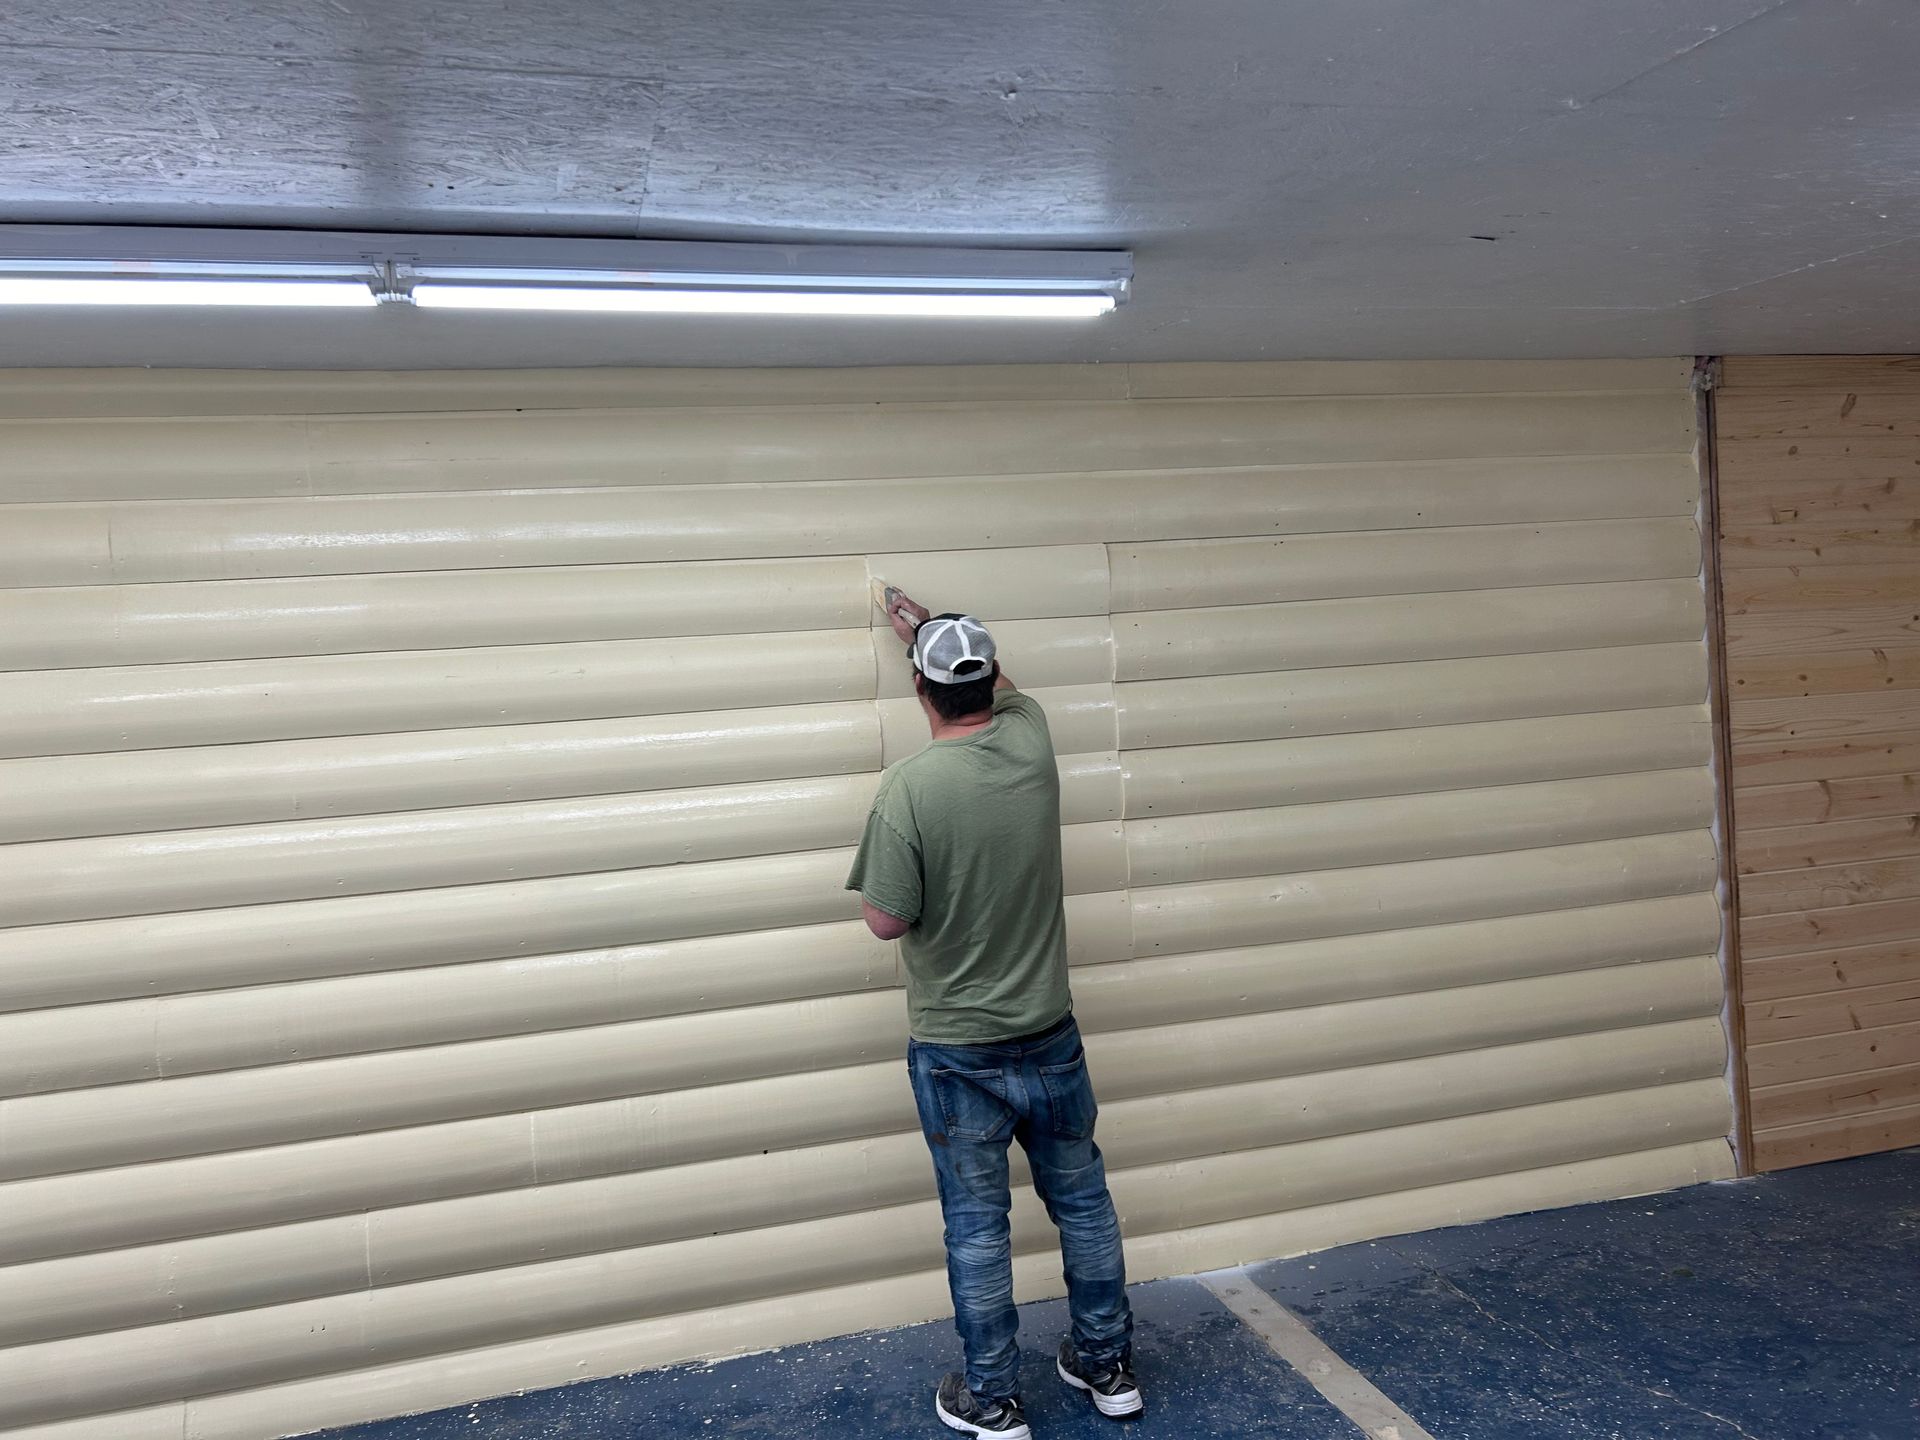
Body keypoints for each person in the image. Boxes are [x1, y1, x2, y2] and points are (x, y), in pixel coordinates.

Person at [845, 590, 1142, 1439]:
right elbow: (1003, 689)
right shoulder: (1032, 739)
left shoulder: (907, 788)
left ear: (919, 692)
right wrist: (942, 627)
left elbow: (886, 919)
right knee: (1082, 1203)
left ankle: (993, 1399)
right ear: (986, 683)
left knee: (978, 1228)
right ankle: (1106, 1366)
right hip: (1049, 1032)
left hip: (956, 1051)